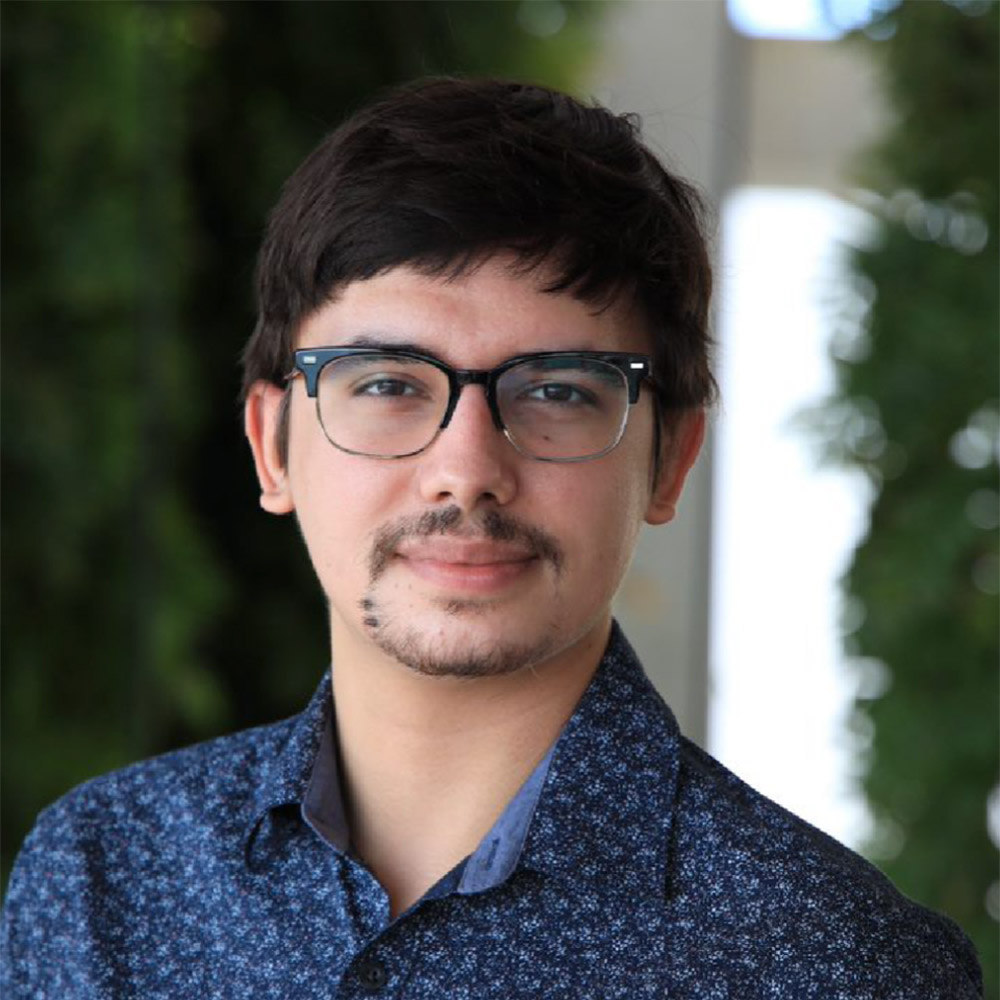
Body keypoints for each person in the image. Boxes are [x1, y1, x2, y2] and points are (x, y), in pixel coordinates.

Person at [1, 77, 981, 999]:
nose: (466, 466)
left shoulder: (835, 965)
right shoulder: (102, 875)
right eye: (386, 383)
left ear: (671, 459)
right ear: (273, 447)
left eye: (556, 391)